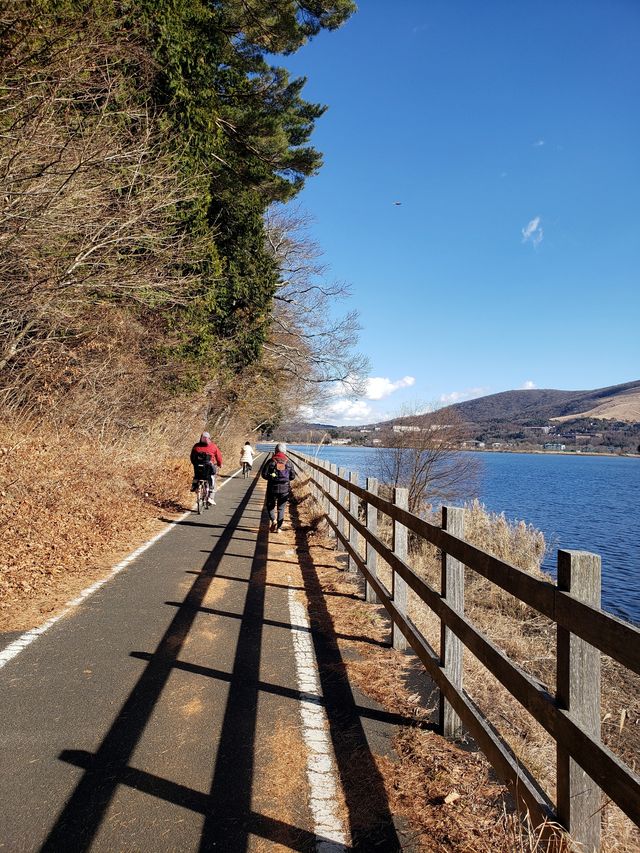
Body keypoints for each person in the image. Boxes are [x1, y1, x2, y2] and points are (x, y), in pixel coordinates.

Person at [261, 442, 296, 533]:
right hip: (285, 489)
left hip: (272, 488)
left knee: (270, 505)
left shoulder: (271, 461)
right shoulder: (288, 462)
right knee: (281, 508)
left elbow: (263, 475)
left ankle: (273, 520)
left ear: (275, 451)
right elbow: (292, 476)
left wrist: (271, 477)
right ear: (285, 451)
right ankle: (279, 528)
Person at [190, 432, 223, 506]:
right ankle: (211, 497)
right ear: (209, 439)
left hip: (198, 467)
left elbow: (192, 457)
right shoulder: (213, 446)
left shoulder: (196, 446)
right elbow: (219, 457)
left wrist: (194, 463)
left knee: (197, 475)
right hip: (209, 468)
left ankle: (194, 486)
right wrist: (220, 464)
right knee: (212, 478)